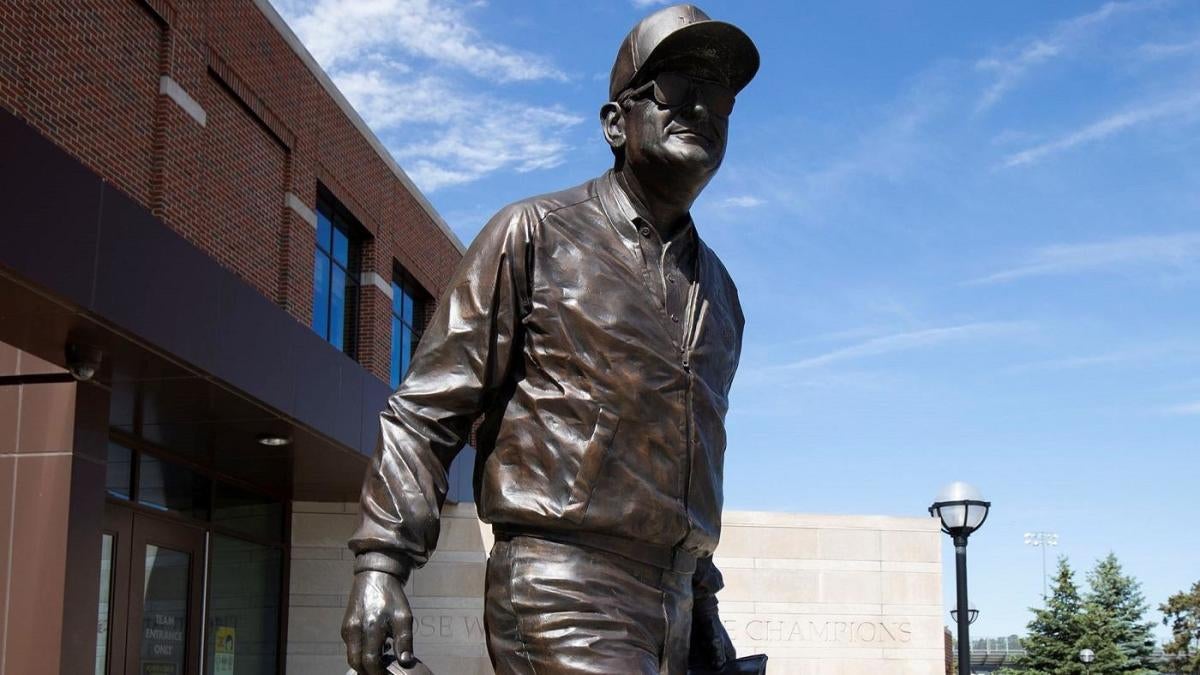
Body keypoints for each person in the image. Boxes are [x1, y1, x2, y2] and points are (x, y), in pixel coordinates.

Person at [342, 5, 759, 674]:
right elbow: (425, 410)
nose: (701, 109)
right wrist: (382, 562)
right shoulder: (533, 234)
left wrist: (704, 605)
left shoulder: (722, 296)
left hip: (675, 603)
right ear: (615, 123)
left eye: (718, 98)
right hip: (563, 583)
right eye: (674, 90)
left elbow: (692, 462)